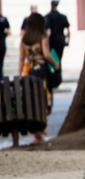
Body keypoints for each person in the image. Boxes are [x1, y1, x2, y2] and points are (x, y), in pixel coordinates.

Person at [19, 13, 59, 143]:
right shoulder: (43, 36)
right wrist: (55, 64)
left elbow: (21, 60)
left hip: (29, 71)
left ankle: (36, 132)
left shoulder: (24, 39)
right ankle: (40, 131)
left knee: (32, 101)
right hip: (41, 71)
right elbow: (46, 54)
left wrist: (20, 75)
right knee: (44, 99)